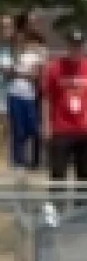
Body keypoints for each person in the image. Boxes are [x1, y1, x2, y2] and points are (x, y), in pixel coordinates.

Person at [41, 28, 87, 217]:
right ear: (68, 46)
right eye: (73, 45)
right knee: (58, 173)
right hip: (61, 129)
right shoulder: (55, 68)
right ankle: (55, 211)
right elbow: (46, 99)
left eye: (79, 45)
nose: (76, 49)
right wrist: (46, 124)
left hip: (83, 129)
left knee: (84, 174)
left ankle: (81, 212)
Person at [6, 19, 47, 171]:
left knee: (33, 128)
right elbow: (8, 72)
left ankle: (35, 159)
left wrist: (19, 72)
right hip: (14, 94)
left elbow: (35, 75)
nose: (20, 42)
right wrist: (22, 72)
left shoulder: (33, 56)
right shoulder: (12, 55)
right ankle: (19, 161)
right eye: (17, 40)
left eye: (22, 40)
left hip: (29, 96)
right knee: (18, 129)